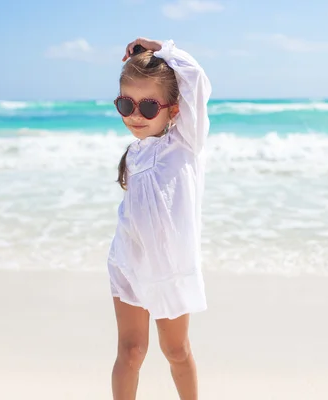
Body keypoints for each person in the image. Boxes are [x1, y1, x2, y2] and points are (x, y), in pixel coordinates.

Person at [107, 37, 212, 400]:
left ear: (174, 109)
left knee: (176, 351)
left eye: (149, 107)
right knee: (131, 351)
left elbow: (195, 77)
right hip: (129, 262)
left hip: (170, 267)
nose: (135, 115)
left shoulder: (185, 145)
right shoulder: (134, 154)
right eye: (125, 103)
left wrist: (163, 49)